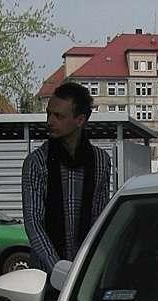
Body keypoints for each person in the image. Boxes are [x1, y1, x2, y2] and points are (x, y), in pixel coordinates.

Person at [22, 82, 112, 274]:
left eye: (59, 116)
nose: (50, 121)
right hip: (45, 275)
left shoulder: (101, 161)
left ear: (80, 120)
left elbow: (99, 221)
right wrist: (59, 270)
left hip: (85, 273)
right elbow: (34, 224)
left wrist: (87, 269)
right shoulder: (36, 162)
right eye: (49, 114)